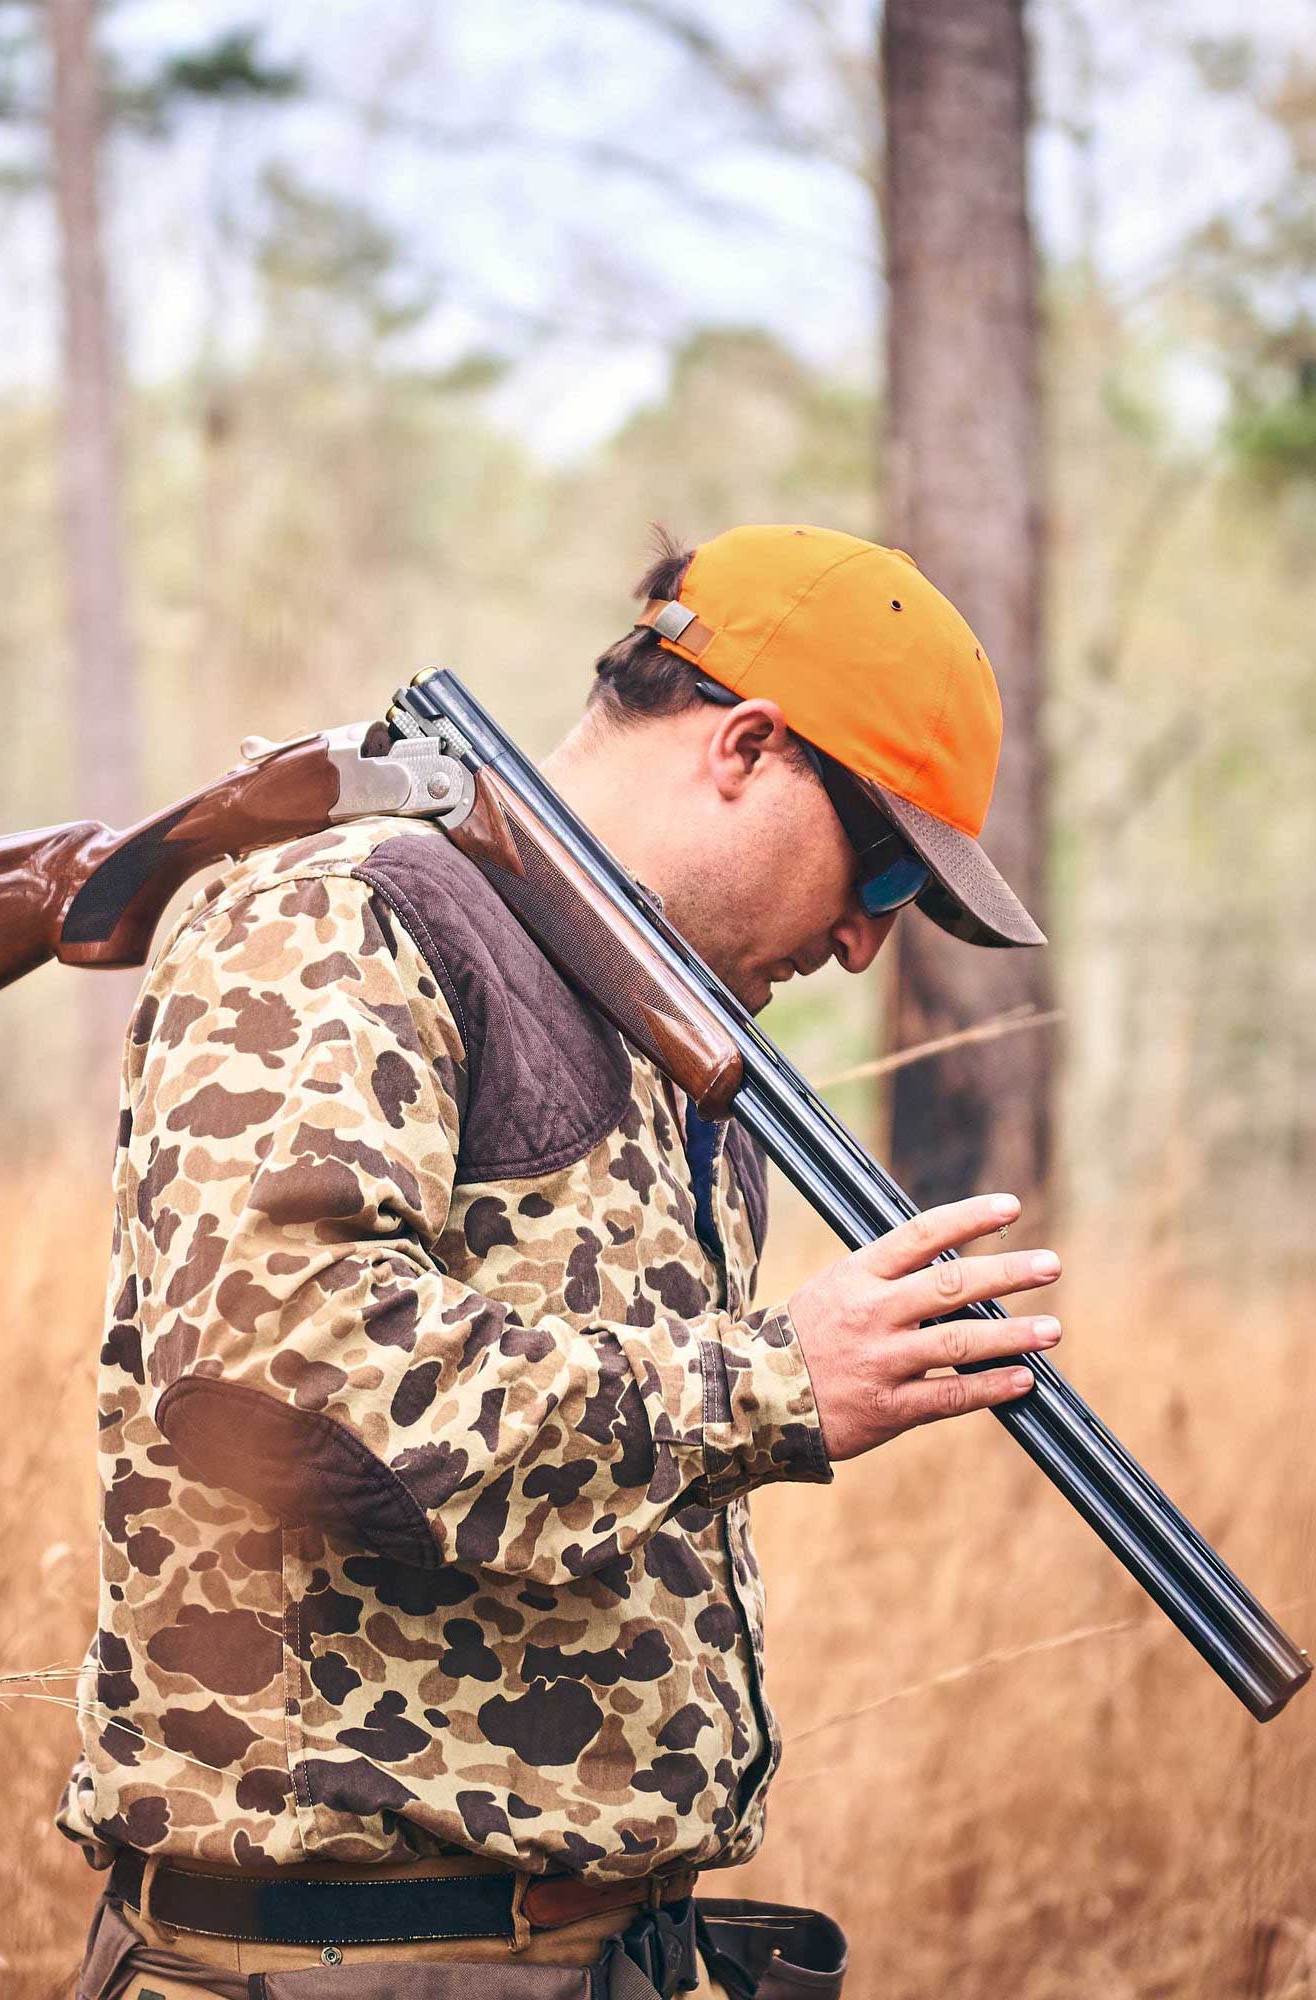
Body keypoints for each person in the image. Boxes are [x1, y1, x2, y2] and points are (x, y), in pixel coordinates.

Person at [60, 523, 1060, 2000]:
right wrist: (778, 1381)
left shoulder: (677, 1049)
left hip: (586, 1954)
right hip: (347, 1967)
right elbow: (281, 1382)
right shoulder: (344, 912)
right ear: (750, 746)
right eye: (891, 873)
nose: (864, 943)